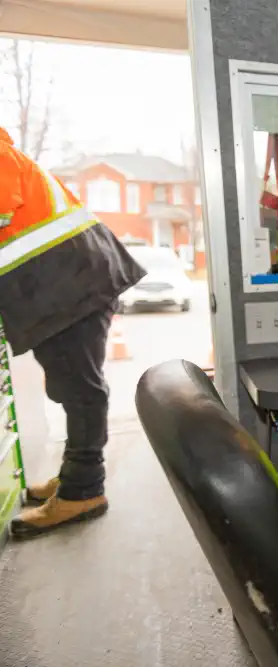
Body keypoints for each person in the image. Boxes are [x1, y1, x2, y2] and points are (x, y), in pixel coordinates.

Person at [0, 128, 146, 538]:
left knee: (80, 391)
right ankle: (74, 476)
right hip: (69, 282)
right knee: (73, 389)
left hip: (67, 287)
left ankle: (83, 490)